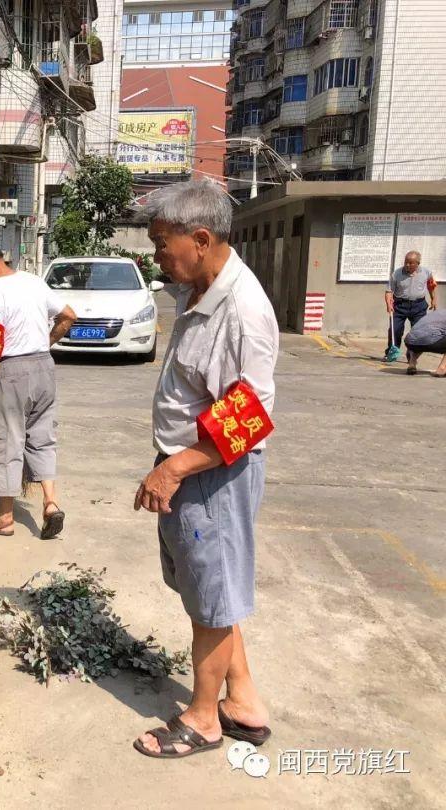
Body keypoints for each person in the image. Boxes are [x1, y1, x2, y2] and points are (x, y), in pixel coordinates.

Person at [132, 179, 278, 759]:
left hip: (211, 475)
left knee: (212, 601)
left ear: (200, 238)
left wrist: (172, 469)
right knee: (207, 592)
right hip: (191, 467)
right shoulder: (196, 288)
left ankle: (203, 719)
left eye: (162, 243)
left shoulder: (242, 310)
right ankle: (242, 701)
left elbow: (249, 417)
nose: (156, 255)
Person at [0, 240, 76, 538]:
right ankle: (50, 503)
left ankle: (4, 519)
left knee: (6, 440)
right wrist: (44, 344)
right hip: (44, 368)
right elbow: (69, 315)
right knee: (41, 437)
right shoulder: (34, 282)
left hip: (14, 372)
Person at [384, 251, 437, 361]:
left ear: (418, 263)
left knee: (418, 332)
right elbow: (389, 291)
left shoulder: (426, 272)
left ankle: (412, 356)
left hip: (419, 305)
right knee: (395, 330)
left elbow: (431, 285)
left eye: (410, 263)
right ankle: (391, 352)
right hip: (399, 305)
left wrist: (433, 299)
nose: (407, 265)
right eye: (406, 262)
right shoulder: (397, 274)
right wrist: (388, 304)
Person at [404, 308, 446, 377]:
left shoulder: (439, 312)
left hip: (409, 342)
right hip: (428, 342)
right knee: (429, 338)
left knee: (422, 337)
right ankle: (442, 369)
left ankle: (412, 363)